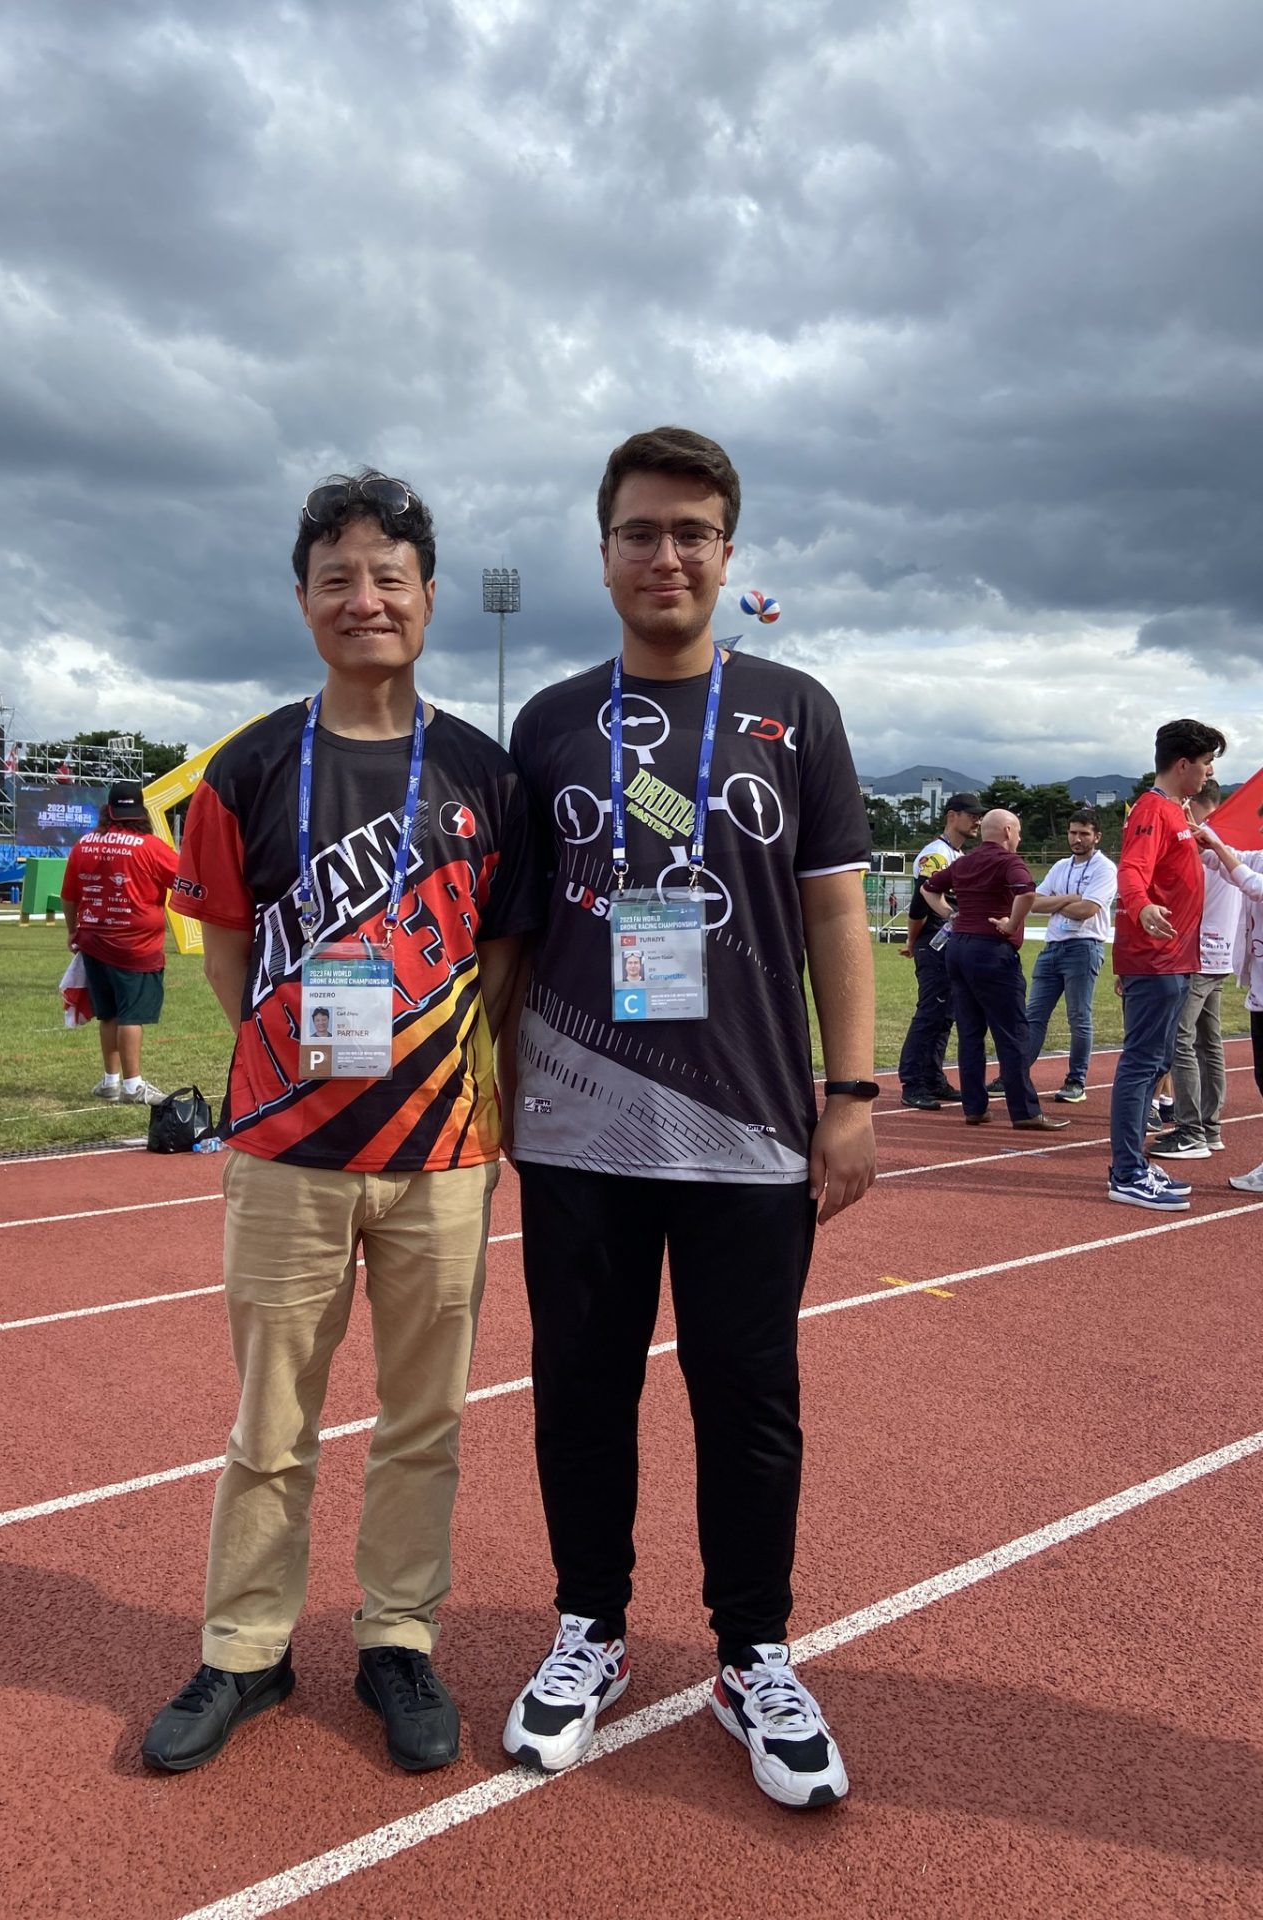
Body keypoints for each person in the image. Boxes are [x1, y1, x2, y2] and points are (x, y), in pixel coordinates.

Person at [141, 471, 543, 1778]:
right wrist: (290, 1069)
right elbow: (226, 950)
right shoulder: (250, 766)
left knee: (425, 1420)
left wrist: (452, 1083)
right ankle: (246, 1648)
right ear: (305, 599)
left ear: (428, 596)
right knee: (269, 1424)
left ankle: (397, 1637)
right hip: (284, 1155)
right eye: (338, 578)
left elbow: (501, 960)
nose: (365, 598)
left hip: (444, 1157)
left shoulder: (487, 772)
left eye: (389, 576)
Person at [500, 426, 876, 1812]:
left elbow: (837, 915)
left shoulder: (796, 708)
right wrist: (492, 1089)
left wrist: (852, 1097)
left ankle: (752, 1654)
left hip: (752, 1130)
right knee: (580, 1391)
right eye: (641, 532)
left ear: (728, 553)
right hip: (578, 1123)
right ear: (602, 553)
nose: (667, 555)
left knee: (751, 1401)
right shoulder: (548, 723)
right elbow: (512, 935)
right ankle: (589, 1627)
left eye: (693, 533)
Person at [1107, 718, 1226, 1211]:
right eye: (1206, 763)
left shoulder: (1176, 813)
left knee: (1156, 1062)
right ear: (1182, 765)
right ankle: (1126, 1172)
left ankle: (1134, 1162)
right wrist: (1141, 908)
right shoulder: (1152, 810)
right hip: (1155, 959)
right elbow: (1132, 869)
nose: (1209, 772)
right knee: (1141, 1063)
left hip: (1174, 959)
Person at [920, 810, 1070, 1131]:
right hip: (992, 950)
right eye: (1018, 832)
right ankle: (1025, 1111)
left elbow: (928, 888)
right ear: (1007, 831)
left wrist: (951, 914)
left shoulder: (963, 862)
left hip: (958, 949)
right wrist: (1012, 923)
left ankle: (975, 1107)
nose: (1020, 838)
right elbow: (1027, 892)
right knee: (1012, 1032)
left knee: (970, 1032)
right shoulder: (1008, 861)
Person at [60, 782, 179, 1106]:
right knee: (131, 1015)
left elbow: (68, 895)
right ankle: (132, 1085)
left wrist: (72, 931)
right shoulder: (150, 847)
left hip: (93, 942)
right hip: (136, 947)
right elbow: (184, 879)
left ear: (107, 810)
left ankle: (111, 1081)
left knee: (108, 1014)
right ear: (140, 813)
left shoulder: (84, 844)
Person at [991, 808, 1118, 1103]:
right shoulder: (1061, 866)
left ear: (1097, 837)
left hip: (1084, 947)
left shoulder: (1105, 869)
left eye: (1084, 833)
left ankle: (1076, 1081)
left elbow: (1088, 910)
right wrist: (1069, 899)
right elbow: (1034, 903)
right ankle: (1014, 1075)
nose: (1077, 839)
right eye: (1073, 832)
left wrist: (1056, 903)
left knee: (1078, 1017)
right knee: (1033, 1016)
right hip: (1053, 947)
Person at [1149, 781, 1238, 1160]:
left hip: (1198, 954)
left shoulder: (1199, 840)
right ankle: (1209, 1127)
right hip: (1221, 953)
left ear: (1190, 803)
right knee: (1208, 1042)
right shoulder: (1225, 841)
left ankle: (1190, 1131)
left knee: (1181, 1040)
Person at [897, 794, 982, 1109]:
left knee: (946, 1015)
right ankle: (912, 1082)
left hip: (950, 942)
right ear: (952, 816)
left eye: (980, 816)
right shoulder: (935, 855)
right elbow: (921, 903)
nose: (977, 821)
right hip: (934, 940)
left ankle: (933, 1079)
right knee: (931, 1012)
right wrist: (913, 941)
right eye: (972, 815)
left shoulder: (957, 855)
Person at [1191, 816, 1263, 1192]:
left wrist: (1216, 845)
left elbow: (1253, 886)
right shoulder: (1259, 857)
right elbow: (1225, 861)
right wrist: (1196, 836)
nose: (1261, 831)